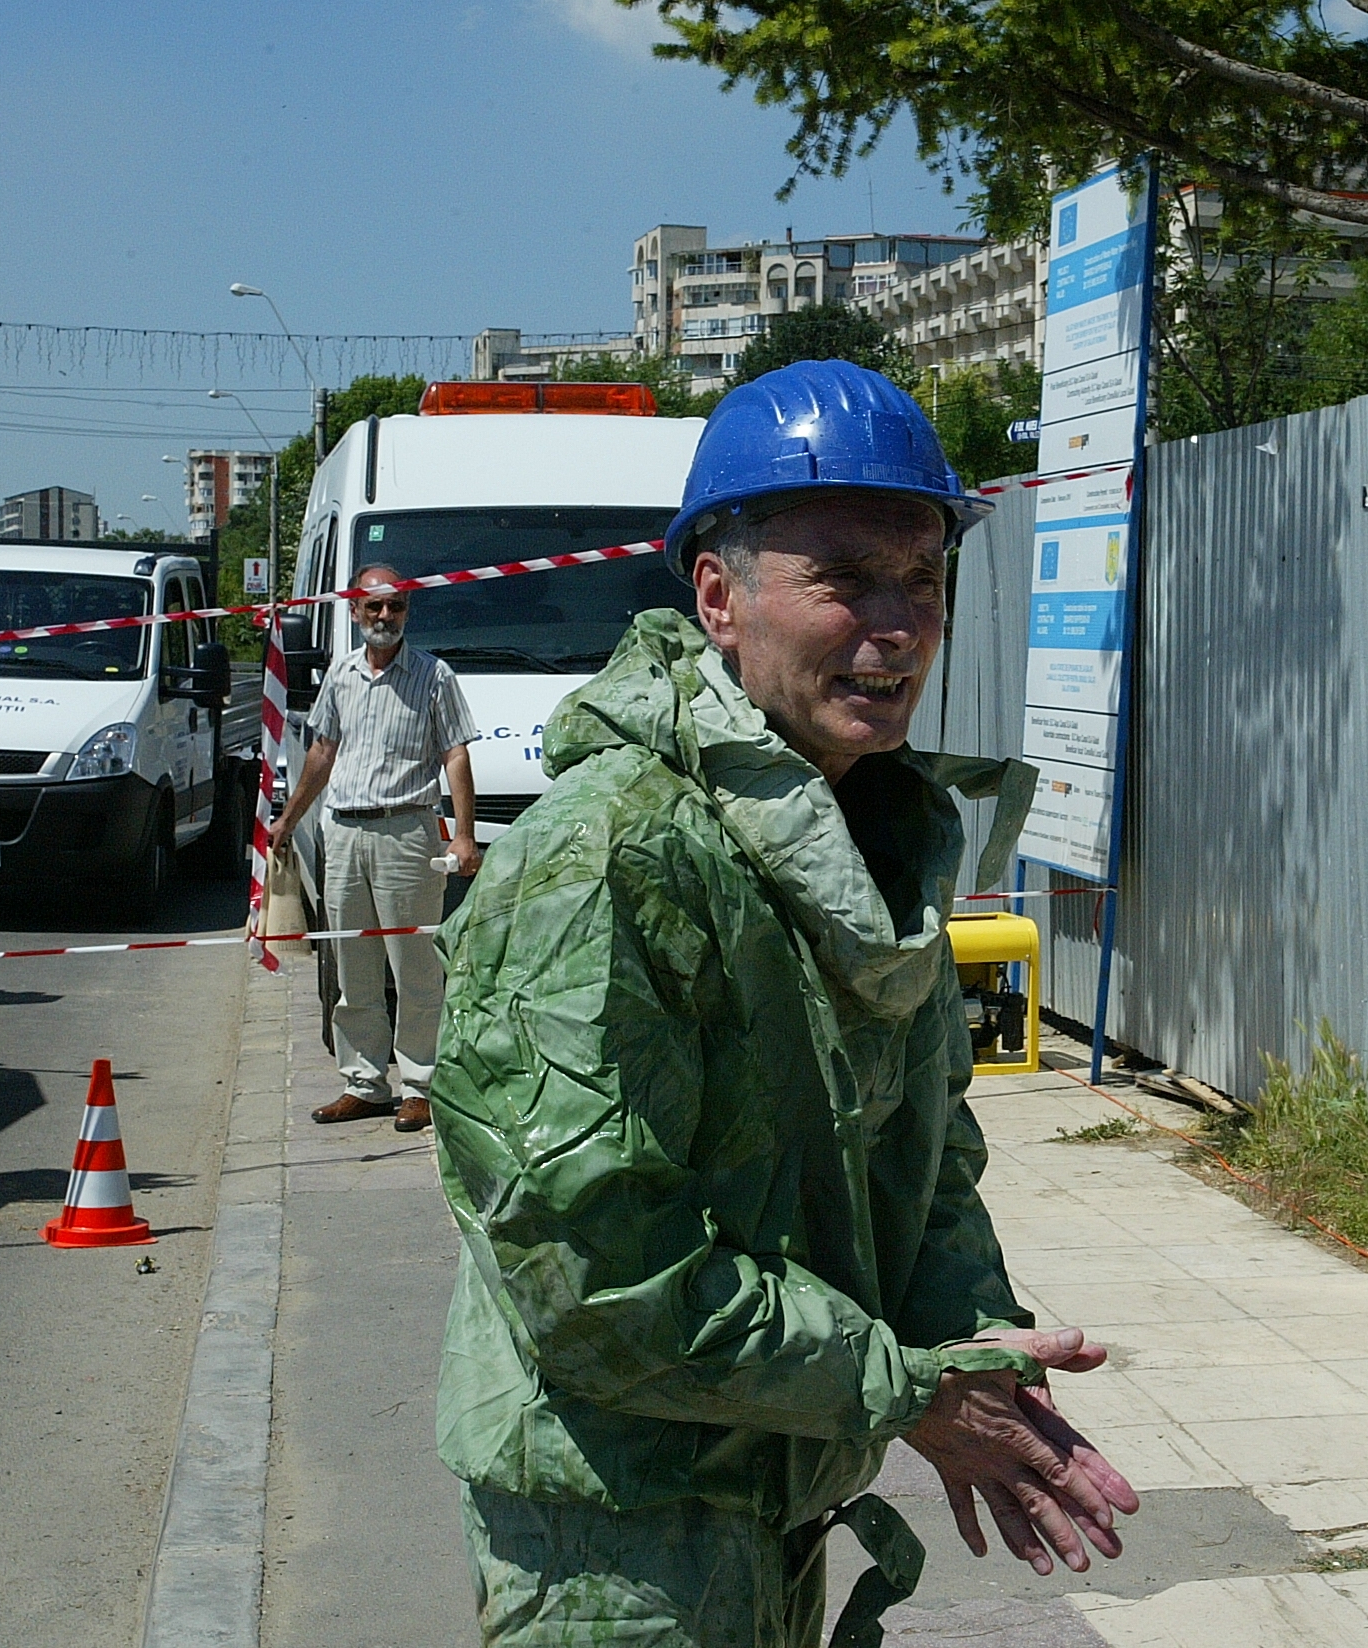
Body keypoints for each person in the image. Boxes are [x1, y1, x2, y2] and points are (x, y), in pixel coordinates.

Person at [426, 360, 1138, 1648]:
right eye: (845, 578)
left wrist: (970, 1349)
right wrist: (904, 1391)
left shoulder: (859, 835)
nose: (899, 623)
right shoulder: (606, 859)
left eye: (922, 578)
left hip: (772, 1483)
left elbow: (920, 1161)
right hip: (619, 1530)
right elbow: (595, 1274)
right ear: (717, 597)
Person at [271, 564, 482, 1133]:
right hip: (342, 832)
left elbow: (455, 754)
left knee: (414, 967)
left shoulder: (434, 676)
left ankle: (421, 1086)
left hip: (406, 832)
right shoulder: (340, 675)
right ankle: (363, 1083)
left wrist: (462, 834)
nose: (385, 617)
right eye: (374, 607)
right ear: (355, 612)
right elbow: (321, 751)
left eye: (396, 607)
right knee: (351, 967)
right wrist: (289, 821)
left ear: (407, 612)